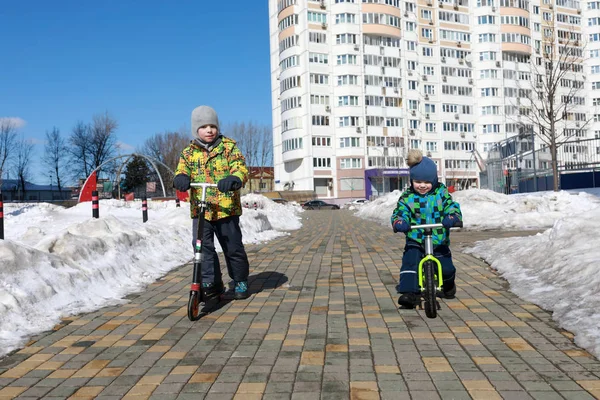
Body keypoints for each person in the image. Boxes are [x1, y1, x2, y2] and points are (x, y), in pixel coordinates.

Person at [173, 105, 251, 300]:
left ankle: (240, 279)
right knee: (202, 246)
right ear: (195, 129)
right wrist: (181, 177)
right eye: (204, 126)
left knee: (232, 247)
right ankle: (212, 281)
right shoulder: (188, 152)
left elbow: (240, 167)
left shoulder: (228, 147)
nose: (209, 130)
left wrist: (235, 178)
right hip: (201, 209)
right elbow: (181, 170)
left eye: (212, 126)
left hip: (226, 208)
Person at [390, 149, 462, 309]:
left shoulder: (441, 193)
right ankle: (409, 293)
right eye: (418, 181)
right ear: (412, 180)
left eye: (427, 182)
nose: (422, 185)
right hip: (416, 238)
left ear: (434, 180)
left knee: (447, 269)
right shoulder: (408, 197)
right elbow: (401, 211)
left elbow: (451, 206)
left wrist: (453, 217)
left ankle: (449, 284)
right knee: (410, 262)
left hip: (438, 239)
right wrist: (399, 221)